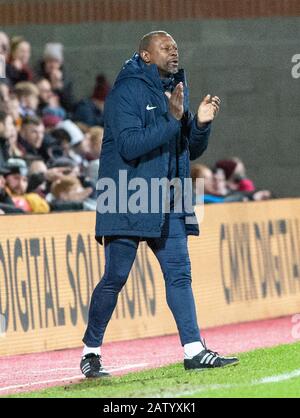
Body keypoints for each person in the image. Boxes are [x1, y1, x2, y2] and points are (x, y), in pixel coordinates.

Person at [80, 31, 239, 378]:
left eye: (176, 47)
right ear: (146, 56)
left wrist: (199, 124)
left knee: (179, 274)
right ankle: (90, 351)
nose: (174, 52)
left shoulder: (174, 89)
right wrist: (171, 118)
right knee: (116, 277)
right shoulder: (125, 90)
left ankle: (194, 350)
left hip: (170, 195)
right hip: (126, 192)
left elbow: (187, 150)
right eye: (165, 47)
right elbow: (129, 146)